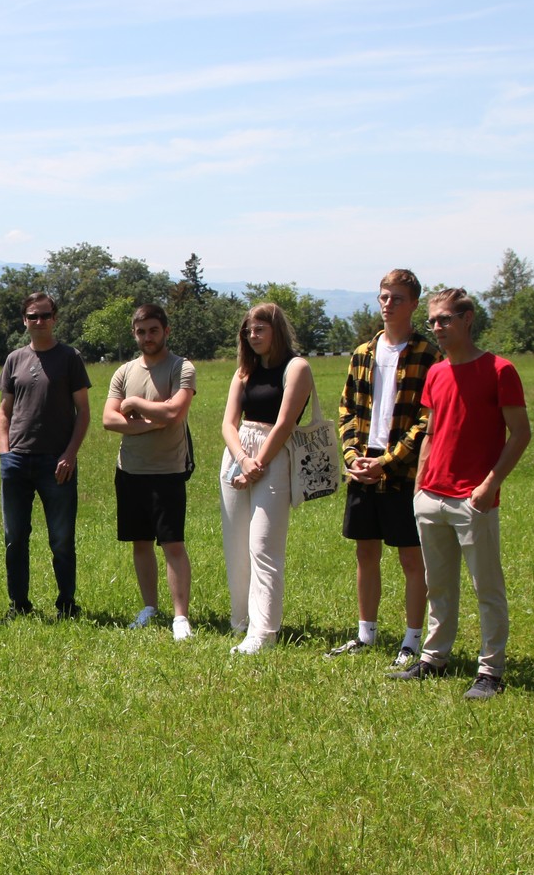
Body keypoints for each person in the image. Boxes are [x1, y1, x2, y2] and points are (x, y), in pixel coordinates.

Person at [391, 288, 532, 699]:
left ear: (467, 319)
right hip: (431, 495)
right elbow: (432, 430)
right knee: (438, 584)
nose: (437, 327)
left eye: (445, 319)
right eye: (433, 321)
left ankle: (491, 671)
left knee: (486, 587)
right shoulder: (436, 373)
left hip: (474, 498)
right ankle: (434, 658)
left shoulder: (500, 370)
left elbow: (521, 434)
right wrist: (420, 484)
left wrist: (489, 486)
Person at [327, 269, 436, 667]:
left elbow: (427, 419)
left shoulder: (427, 355)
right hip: (363, 464)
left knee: (411, 558)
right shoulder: (363, 353)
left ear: (414, 304)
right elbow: (347, 409)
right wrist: (352, 457)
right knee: (366, 551)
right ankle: (366, 633)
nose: (388, 305)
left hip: (404, 470)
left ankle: (412, 640)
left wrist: (387, 461)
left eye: (397, 298)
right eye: (384, 297)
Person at [218, 302, 314, 654]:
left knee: (263, 546)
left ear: (277, 330)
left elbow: (286, 423)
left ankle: (264, 632)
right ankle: (240, 621)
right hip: (238, 454)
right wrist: (243, 460)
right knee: (236, 544)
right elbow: (228, 423)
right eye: (248, 331)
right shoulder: (244, 371)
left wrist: (257, 464)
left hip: (274, 455)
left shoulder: (297, 367)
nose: (253, 336)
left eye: (260, 329)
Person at [101, 303, 196, 640]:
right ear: (134, 334)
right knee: (140, 543)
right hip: (130, 471)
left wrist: (134, 405)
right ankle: (150, 608)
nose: (147, 337)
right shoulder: (124, 372)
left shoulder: (182, 368)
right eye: (141, 332)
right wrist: (152, 423)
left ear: (166, 331)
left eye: (153, 330)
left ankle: (180, 617)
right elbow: (108, 419)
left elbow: (175, 413)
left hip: (168, 470)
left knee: (172, 543)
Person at [0, 292, 92, 618]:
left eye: (45, 315)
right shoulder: (14, 359)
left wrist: (70, 454)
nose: (39, 321)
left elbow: (83, 412)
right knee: (14, 538)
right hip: (17, 461)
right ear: (24, 321)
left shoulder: (70, 357)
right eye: (33, 316)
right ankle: (18, 605)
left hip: (57, 462)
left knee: (62, 539)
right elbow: (4, 411)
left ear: (55, 318)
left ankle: (67, 604)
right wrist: (5, 453)